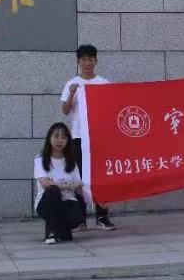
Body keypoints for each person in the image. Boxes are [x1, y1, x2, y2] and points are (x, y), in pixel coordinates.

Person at [61, 44, 116, 230]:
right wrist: (71, 94)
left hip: (100, 137)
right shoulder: (72, 83)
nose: (87, 63)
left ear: (95, 60)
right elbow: (65, 110)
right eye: (83, 59)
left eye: (90, 59)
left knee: (101, 176)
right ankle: (80, 219)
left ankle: (102, 217)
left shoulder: (104, 83)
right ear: (78, 61)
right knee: (80, 176)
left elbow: (112, 109)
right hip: (79, 137)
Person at [34, 122, 86, 245]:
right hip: (46, 203)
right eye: (56, 136)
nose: (59, 140)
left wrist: (97, 198)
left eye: (63, 137)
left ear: (68, 140)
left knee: (77, 218)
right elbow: (45, 183)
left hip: (68, 201)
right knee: (53, 189)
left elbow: (79, 188)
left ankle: (60, 230)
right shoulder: (40, 159)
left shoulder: (71, 161)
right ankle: (51, 232)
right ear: (49, 138)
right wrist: (69, 185)